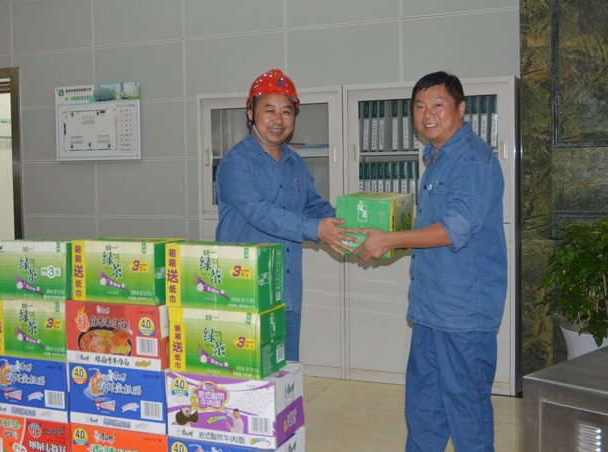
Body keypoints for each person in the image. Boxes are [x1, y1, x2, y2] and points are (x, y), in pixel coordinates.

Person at [355, 71, 507, 452]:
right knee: (424, 412)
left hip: (463, 316)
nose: (428, 115)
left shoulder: (471, 160)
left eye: (438, 105)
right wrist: (384, 236)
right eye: (420, 107)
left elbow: (455, 228)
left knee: (468, 418)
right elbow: (429, 228)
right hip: (430, 309)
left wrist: (389, 240)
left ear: (461, 108)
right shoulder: (436, 158)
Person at [215, 68, 357, 362]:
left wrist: (354, 225)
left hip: (287, 288)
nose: (278, 120)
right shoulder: (236, 162)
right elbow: (259, 213)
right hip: (244, 290)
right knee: (248, 375)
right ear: (251, 113)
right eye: (269, 110)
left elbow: (312, 206)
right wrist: (316, 229)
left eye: (286, 111)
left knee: (286, 372)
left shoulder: (295, 162)